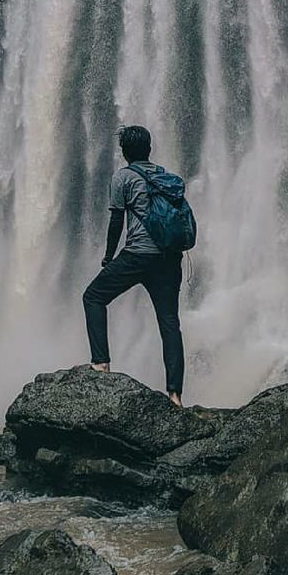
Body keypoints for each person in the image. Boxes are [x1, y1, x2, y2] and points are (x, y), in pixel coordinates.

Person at [82, 124, 185, 406]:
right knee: (170, 323)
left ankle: (101, 363)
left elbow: (116, 221)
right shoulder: (165, 176)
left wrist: (108, 257)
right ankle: (175, 394)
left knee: (93, 297)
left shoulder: (123, 177)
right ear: (149, 149)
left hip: (137, 255)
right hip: (168, 258)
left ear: (124, 152)